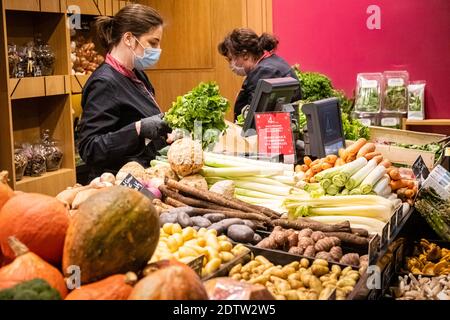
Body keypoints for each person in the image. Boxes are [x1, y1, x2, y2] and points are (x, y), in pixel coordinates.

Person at [78, 4, 171, 180]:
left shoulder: (138, 75)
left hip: (144, 174)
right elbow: (90, 149)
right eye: (152, 43)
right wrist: (136, 129)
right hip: (118, 181)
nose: (157, 51)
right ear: (128, 38)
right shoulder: (104, 83)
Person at [218, 28, 302, 121]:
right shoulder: (273, 61)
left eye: (231, 59)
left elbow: (256, 117)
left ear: (245, 54)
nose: (231, 65)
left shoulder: (264, 72)